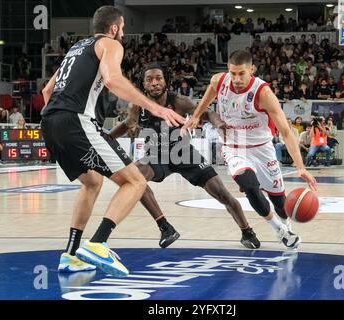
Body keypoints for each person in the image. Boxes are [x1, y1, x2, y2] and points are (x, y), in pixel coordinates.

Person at [40, 6, 184, 277]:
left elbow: (47, 90)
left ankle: (71, 255)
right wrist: (155, 108)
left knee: (92, 182)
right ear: (114, 28)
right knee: (136, 181)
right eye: (124, 27)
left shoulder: (75, 49)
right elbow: (112, 79)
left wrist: (59, 123)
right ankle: (97, 243)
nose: (124, 33)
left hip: (49, 122)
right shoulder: (110, 44)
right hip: (76, 121)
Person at [109, 63, 261, 249]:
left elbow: (206, 112)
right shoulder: (137, 107)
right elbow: (126, 124)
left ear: (166, 81)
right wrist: (107, 138)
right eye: (149, 80)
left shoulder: (179, 101)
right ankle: (165, 227)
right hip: (157, 156)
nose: (154, 83)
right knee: (134, 179)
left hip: (184, 153)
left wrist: (218, 123)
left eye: (158, 78)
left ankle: (247, 231)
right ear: (143, 84)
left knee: (222, 194)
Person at [184, 50, 317, 249]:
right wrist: (195, 116)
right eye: (233, 73)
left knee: (280, 202)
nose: (236, 79)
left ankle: (286, 224)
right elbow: (206, 99)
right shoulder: (218, 81)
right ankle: (279, 230)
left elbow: (286, 133)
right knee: (249, 186)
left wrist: (301, 167)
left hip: (262, 148)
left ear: (252, 70)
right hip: (234, 147)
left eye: (241, 74)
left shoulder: (263, 93)